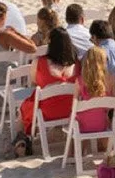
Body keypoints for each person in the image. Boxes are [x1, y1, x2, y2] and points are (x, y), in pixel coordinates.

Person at [7, 30, 78, 158]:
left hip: (48, 112)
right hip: (71, 110)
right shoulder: (77, 64)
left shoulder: (40, 62)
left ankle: (21, 139)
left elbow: (34, 81)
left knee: (23, 111)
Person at [73, 46, 115, 144]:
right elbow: (112, 105)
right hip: (102, 124)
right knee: (104, 116)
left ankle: (77, 152)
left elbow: (74, 106)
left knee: (76, 120)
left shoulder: (79, 80)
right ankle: (106, 149)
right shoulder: (110, 79)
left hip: (83, 126)